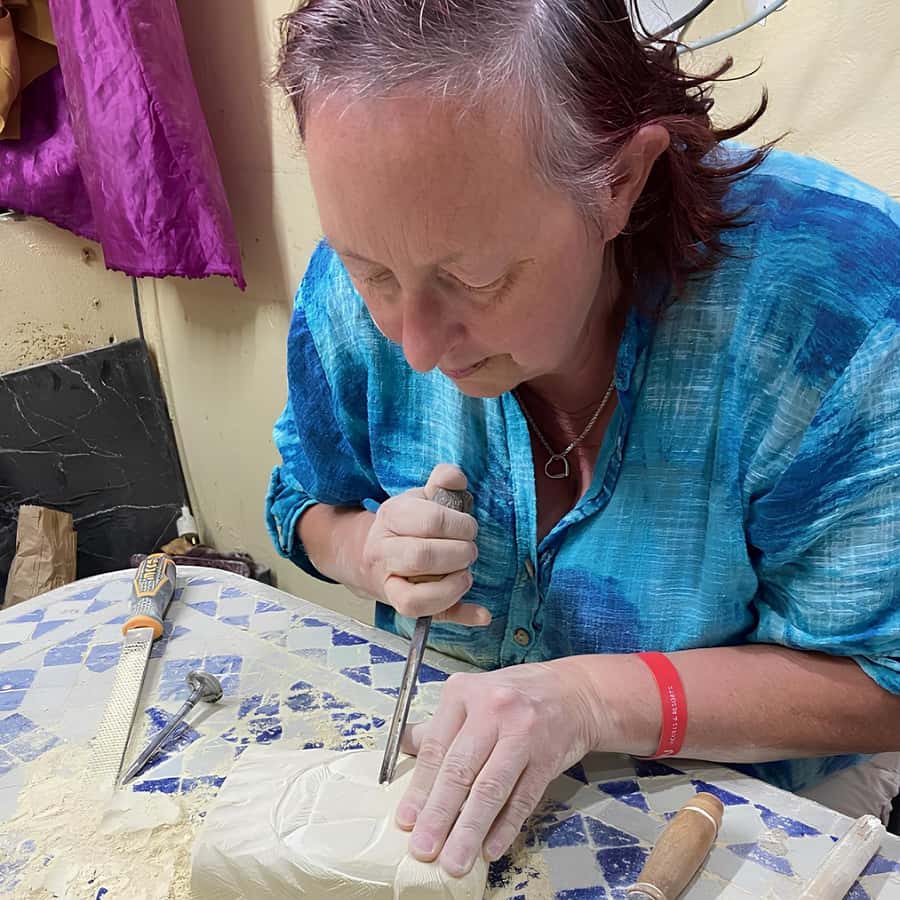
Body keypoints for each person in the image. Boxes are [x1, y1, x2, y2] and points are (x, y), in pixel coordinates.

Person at [266, 0, 900, 878]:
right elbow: (301, 499)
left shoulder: (838, 312)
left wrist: (594, 699)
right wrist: (364, 551)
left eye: (474, 277)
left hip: (751, 790)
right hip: (458, 750)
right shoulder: (372, 268)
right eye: (370, 271)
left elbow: (884, 679)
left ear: (619, 183)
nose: (414, 347)